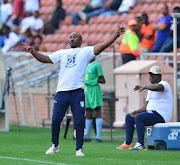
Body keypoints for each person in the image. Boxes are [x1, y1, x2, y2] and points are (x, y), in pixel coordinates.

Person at [22, 23, 125, 156]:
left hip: (77, 92)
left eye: (75, 37)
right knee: (56, 119)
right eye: (70, 37)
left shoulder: (86, 51)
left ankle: (79, 149)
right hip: (62, 92)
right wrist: (33, 52)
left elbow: (103, 45)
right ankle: (55, 145)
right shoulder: (62, 53)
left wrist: (116, 34)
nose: (71, 39)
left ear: (80, 41)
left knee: (79, 120)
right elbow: (46, 59)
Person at [116, 66, 173, 150]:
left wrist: (144, 86)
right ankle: (128, 143)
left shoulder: (164, 84)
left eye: (154, 75)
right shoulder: (150, 88)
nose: (152, 77)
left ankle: (141, 144)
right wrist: (136, 111)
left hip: (162, 115)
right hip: (152, 113)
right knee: (129, 117)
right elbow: (146, 106)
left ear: (160, 76)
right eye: (150, 75)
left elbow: (157, 88)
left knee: (140, 117)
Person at [84, 58, 105, 143]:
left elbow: (102, 79)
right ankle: (87, 136)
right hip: (87, 90)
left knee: (97, 112)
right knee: (88, 113)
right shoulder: (87, 65)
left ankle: (98, 137)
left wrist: (94, 80)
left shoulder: (97, 65)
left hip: (94, 89)